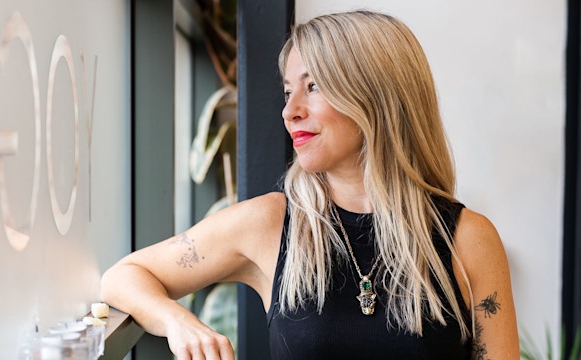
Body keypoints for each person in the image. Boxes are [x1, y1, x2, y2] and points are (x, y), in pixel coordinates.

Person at [101, 10, 519, 359]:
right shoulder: (270, 223)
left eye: (313, 87)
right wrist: (180, 323)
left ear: (376, 96)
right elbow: (125, 275)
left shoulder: (468, 240)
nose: (289, 111)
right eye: (288, 92)